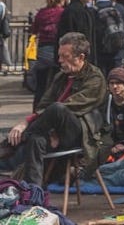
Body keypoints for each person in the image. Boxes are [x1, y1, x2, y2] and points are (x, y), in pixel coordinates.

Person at [0, 32, 106, 185]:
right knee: (36, 139)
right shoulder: (60, 76)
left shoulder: (95, 77)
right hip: (51, 129)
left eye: (65, 56)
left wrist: (25, 123)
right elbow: (43, 105)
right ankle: (33, 192)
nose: (60, 61)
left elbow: (72, 105)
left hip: (80, 132)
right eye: (59, 55)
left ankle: (12, 143)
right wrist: (50, 131)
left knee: (58, 108)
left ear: (81, 57)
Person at [30, 0, 66, 109]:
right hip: (57, 49)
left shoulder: (41, 13)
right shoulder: (62, 13)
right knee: (56, 84)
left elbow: (34, 30)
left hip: (43, 49)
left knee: (41, 85)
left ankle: (36, 110)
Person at [56, 0, 99, 66]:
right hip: (75, 58)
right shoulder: (72, 11)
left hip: (84, 57)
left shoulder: (88, 10)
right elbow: (69, 35)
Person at [94, 0, 124, 77]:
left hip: (100, 51)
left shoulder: (93, 10)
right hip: (117, 51)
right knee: (116, 80)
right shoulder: (119, 7)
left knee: (102, 80)